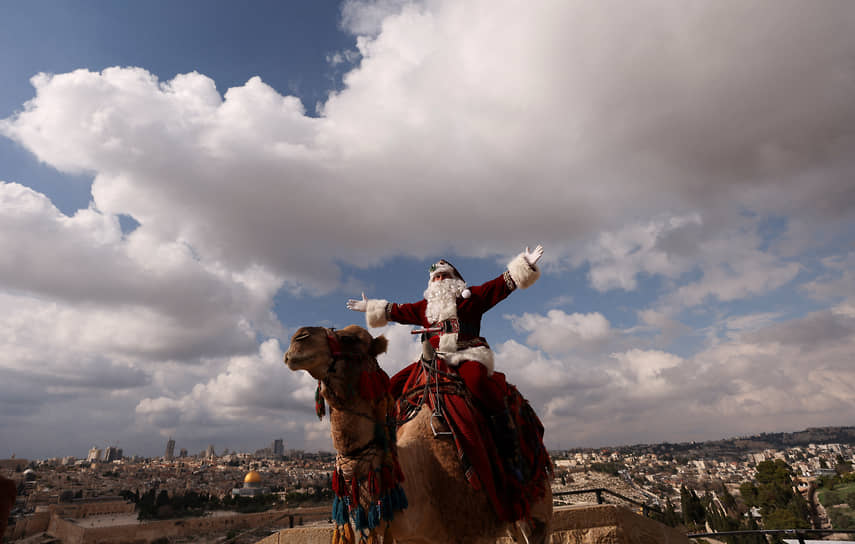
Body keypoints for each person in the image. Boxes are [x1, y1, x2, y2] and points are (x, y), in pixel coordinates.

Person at [346, 245, 543, 419]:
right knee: (393, 386)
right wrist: (369, 306)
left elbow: (500, 285)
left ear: (455, 279)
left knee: (477, 381)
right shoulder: (424, 307)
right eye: (436, 277)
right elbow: (396, 311)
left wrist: (524, 264)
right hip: (433, 359)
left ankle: (501, 424)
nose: (440, 280)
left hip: (467, 354)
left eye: (444, 276)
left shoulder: (472, 298)